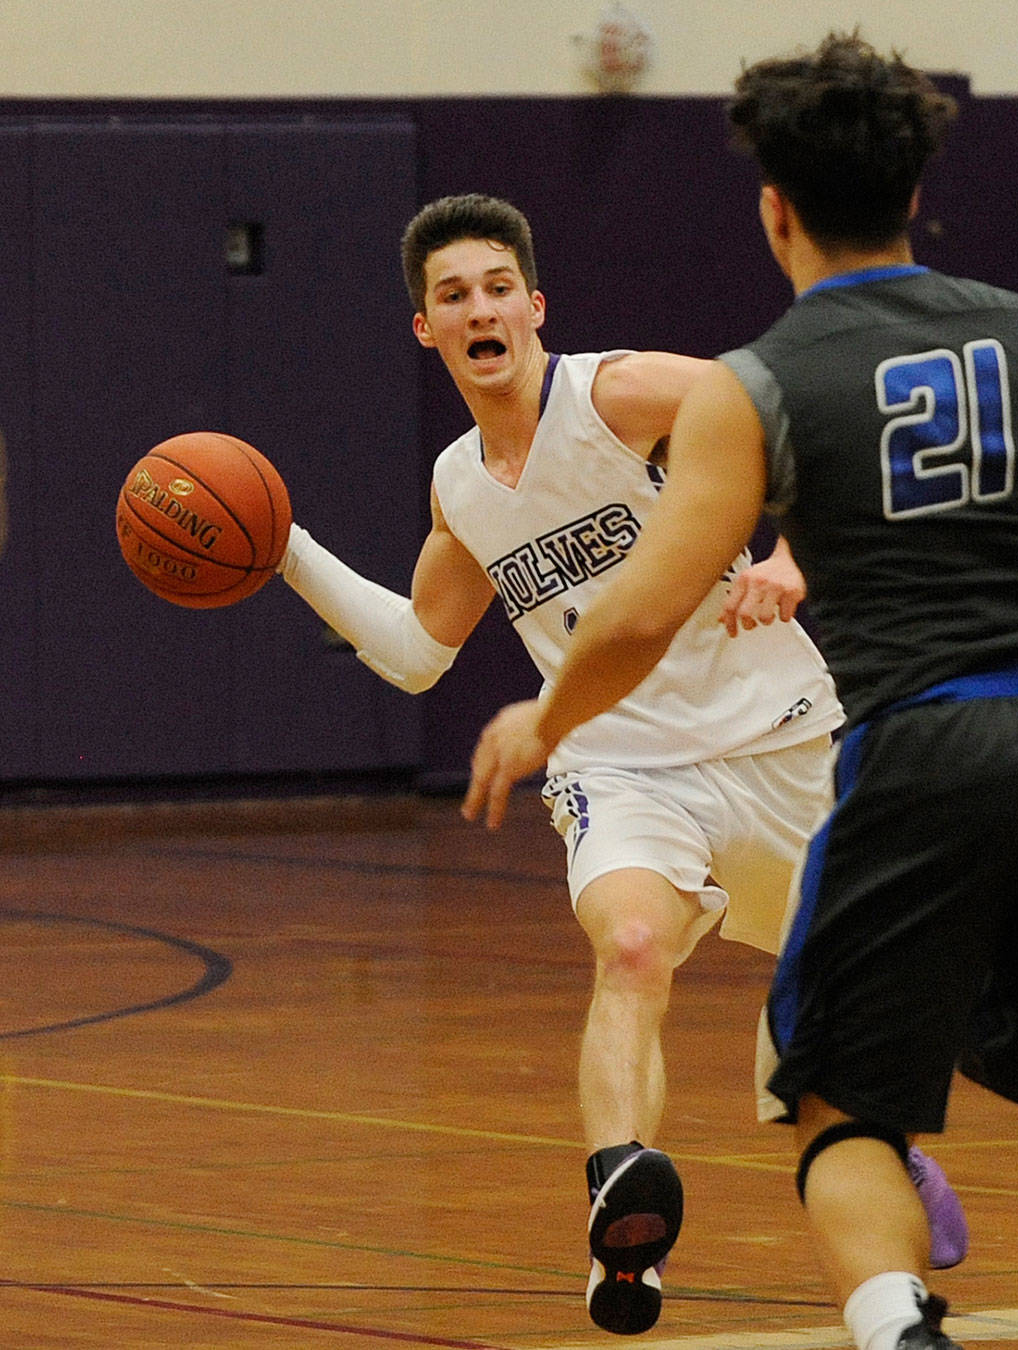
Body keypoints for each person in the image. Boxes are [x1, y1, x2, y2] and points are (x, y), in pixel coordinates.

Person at [462, 36, 1018, 1350]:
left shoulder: (759, 383)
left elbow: (650, 603)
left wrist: (539, 717)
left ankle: (900, 1324)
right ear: (915, 194)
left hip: (928, 740)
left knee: (834, 1097)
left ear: (774, 208)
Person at [275, 192, 967, 1336]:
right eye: (452, 295)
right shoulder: (459, 485)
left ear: (534, 305)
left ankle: (874, 1143)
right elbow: (411, 653)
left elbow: (809, 414)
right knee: (632, 948)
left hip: (783, 740)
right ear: (425, 329)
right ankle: (622, 1206)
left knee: (837, 1033)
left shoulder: (619, 393)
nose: (479, 307)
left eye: (498, 286)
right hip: (622, 766)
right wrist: (282, 546)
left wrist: (791, 555)